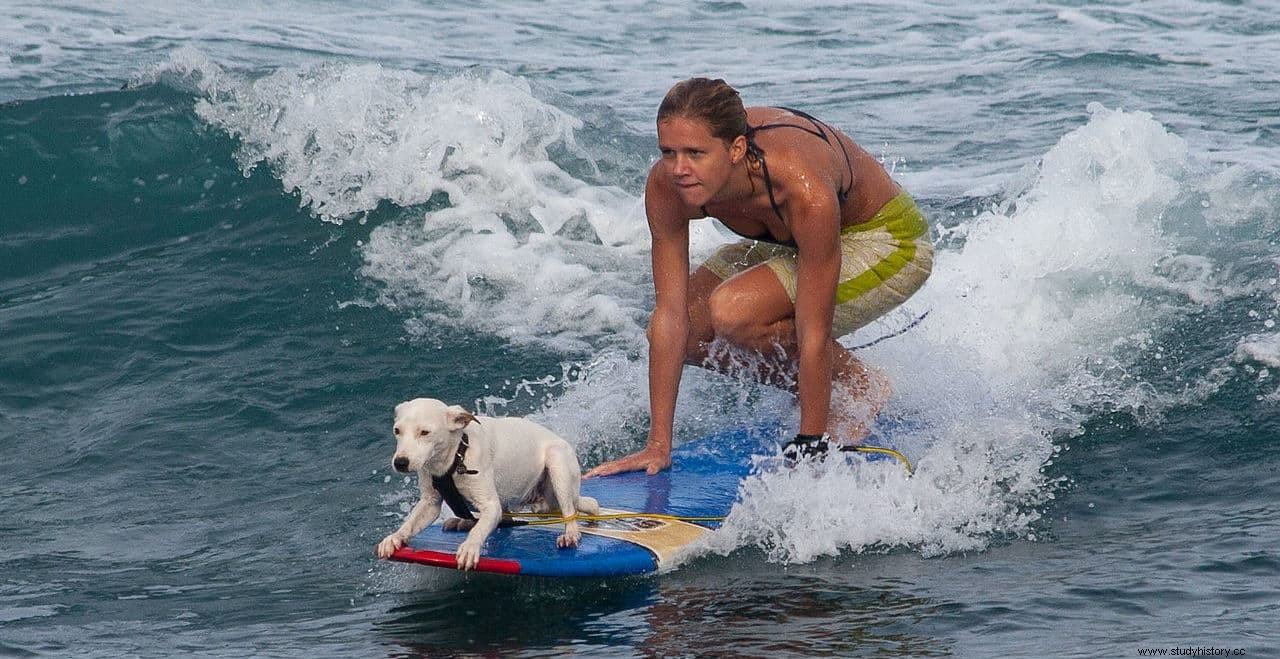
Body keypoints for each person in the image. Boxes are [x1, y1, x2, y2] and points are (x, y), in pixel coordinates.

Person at [584, 78, 932, 478]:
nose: (679, 169)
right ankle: (829, 388)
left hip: (885, 242)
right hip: (791, 241)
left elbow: (812, 329)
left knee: (734, 311)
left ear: (735, 149)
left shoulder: (800, 187)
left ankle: (859, 386)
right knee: (691, 332)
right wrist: (657, 446)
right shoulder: (668, 187)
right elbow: (669, 315)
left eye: (695, 153)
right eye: (668, 152)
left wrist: (811, 443)